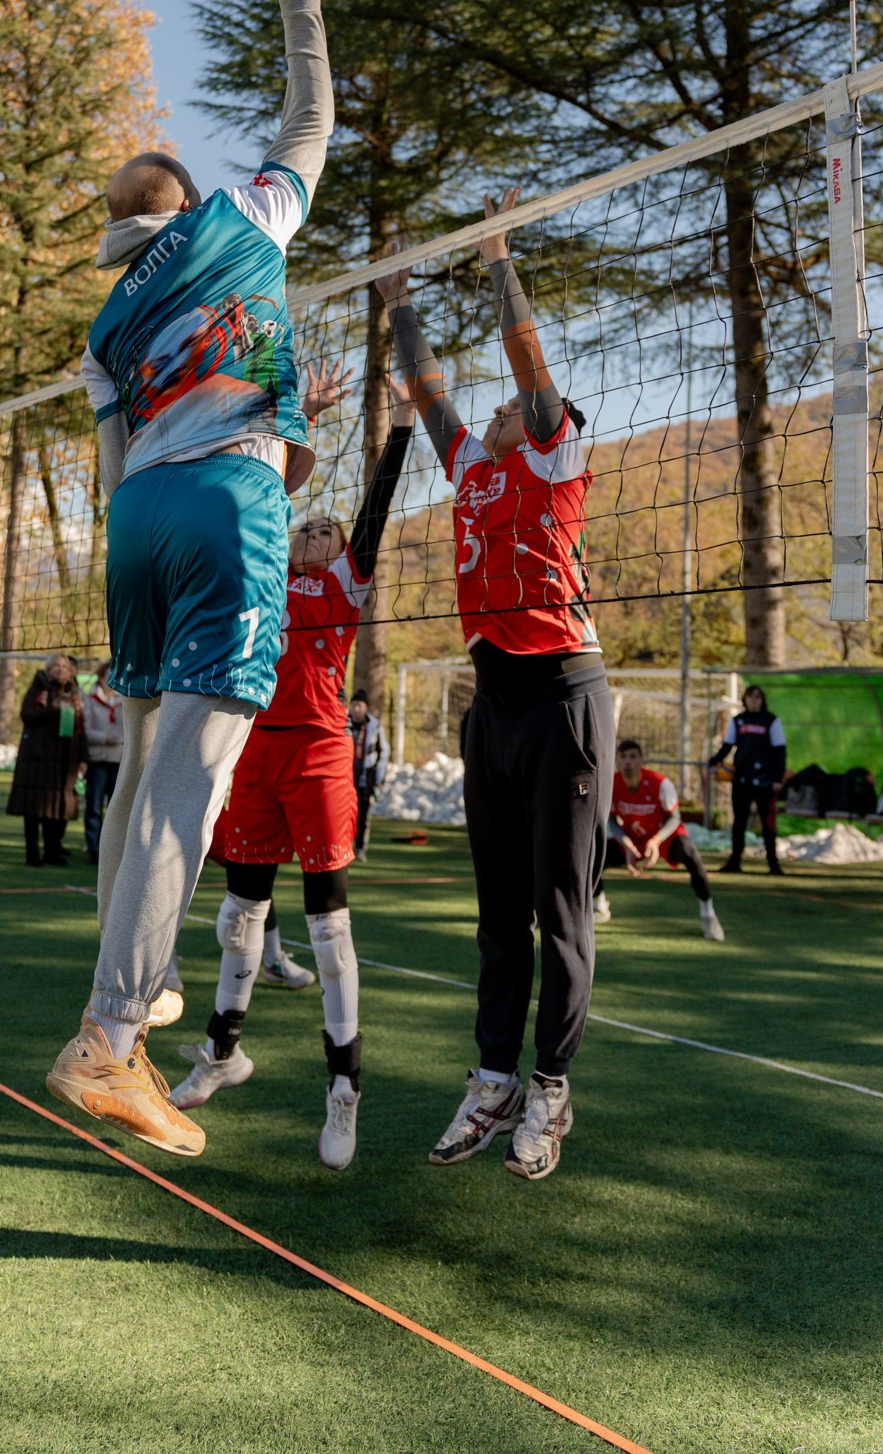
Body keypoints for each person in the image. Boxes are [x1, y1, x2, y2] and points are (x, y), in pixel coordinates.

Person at [45, 0, 335, 1159]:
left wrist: (274, 451)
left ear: (121, 227)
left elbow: (115, 470)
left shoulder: (105, 327)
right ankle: (113, 1032)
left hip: (144, 525)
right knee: (187, 792)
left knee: (140, 778)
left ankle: (134, 994)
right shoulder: (238, 222)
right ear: (182, 194)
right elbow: (311, 119)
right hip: (220, 506)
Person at [380, 191, 612, 1182]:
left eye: (514, 406)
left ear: (544, 425)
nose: (499, 405)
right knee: (493, 911)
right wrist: (395, 301)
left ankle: (550, 1092)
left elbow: (528, 363)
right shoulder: (471, 469)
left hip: (564, 694)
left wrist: (495, 258)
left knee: (559, 909)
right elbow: (427, 388)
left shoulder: (554, 462)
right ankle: (491, 1080)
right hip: (494, 703)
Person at [169, 370, 415, 1171]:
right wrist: (301, 416)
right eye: (309, 525)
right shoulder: (269, 566)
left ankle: (343, 1089)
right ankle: (222, 1053)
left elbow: (373, 509)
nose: (316, 530)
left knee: (328, 928)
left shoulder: (345, 582)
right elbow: (263, 488)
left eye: (327, 530)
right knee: (240, 919)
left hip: (317, 753)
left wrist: (403, 424)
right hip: (255, 749)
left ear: (345, 555)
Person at [597, 740, 724, 941]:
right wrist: (626, 843)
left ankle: (708, 915)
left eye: (633, 756)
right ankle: (599, 906)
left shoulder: (660, 783)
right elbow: (611, 819)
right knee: (594, 856)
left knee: (691, 855)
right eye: (623, 757)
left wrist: (656, 840)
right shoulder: (611, 784)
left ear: (641, 760)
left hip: (663, 837)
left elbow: (675, 817)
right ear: (617, 761)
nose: (628, 761)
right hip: (634, 838)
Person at [7, 654, 88, 865]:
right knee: (33, 810)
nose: (61, 670)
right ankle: (32, 854)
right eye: (56, 666)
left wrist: (83, 757)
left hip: (63, 761)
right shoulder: (38, 690)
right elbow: (27, 716)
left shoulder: (74, 694)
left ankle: (53, 851)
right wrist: (53, 709)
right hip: (36, 760)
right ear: (48, 669)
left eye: (65, 666)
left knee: (56, 809)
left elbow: (80, 729)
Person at [708, 684, 787, 875]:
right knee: (739, 823)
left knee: (767, 824)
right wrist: (713, 761)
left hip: (766, 781)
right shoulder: (739, 721)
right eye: (750, 697)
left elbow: (780, 752)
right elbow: (727, 746)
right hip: (742, 780)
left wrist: (777, 779)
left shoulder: (771, 721)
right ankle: (734, 862)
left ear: (762, 700)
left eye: (757, 697)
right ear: (745, 700)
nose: (754, 701)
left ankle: (773, 864)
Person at [82, 661, 123, 865]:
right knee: (94, 805)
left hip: (119, 759)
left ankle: (112, 849)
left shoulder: (123, 700)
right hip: (98, 758)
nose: (110, 680)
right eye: (107, 675)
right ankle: (93, 847)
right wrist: (103, 738)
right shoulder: (89, 700)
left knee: (115, 807)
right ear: (100, 678)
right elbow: (85, 730)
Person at [347, 690, 388, 863]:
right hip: (344, 777)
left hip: (365, 779)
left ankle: (361, 848)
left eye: (360, 705)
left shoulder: (375, 726)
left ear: (366, 707)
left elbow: (383, 753)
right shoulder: (342, 722)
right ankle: (344, 847)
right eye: (354, 704)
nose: (356, 709)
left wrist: (378, 781)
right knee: (345, 815)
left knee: (363, 816)